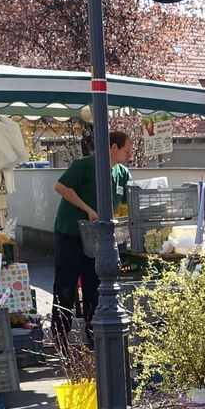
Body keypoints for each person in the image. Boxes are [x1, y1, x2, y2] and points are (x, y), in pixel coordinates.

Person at [50, 128, 133, 341]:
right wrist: (88, 209)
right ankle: (60, 338)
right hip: (71, 233)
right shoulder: (85, 165)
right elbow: (61, 187)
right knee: (66, 285)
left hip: (99, 238)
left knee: (95, 286)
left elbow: (128, 201)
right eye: (126, 150)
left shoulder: (122, 173)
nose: (129, 155)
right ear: (113, 147)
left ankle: (95, 337)